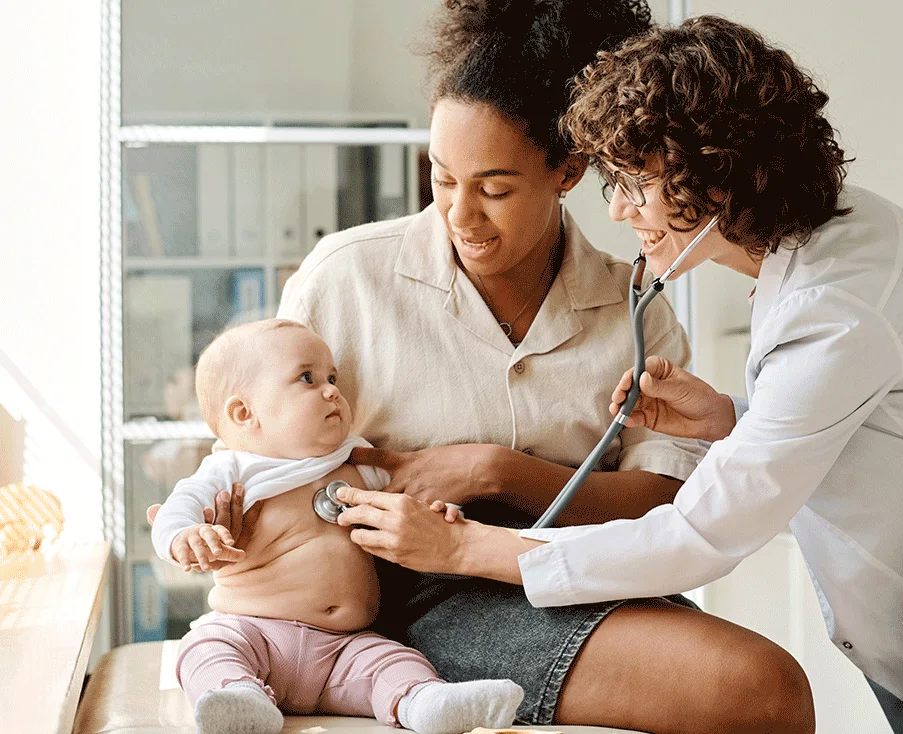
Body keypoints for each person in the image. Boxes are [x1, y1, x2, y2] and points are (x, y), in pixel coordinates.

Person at [331, 16, 903, 734]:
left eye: (636, 183)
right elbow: (851, 421)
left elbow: (708, 530)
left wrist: (475, 545)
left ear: (716, 175)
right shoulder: (816, 255)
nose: (622, 211)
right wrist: (728, 419)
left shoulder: (839, 298)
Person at [271, 2, 815, 733]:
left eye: (494, 188)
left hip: (577, 568)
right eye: (441, 179)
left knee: (764, 689)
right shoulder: (346, 278)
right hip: (416, 589)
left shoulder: (631, 303)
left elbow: (661, 500)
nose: (462, 215)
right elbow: (258, 452)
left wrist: (499, 471)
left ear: (568, 169)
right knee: (757, 688)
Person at [151, 319, 522, 734]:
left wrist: (441, 514)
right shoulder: (231, 469)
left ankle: (428, 704)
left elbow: (409, 502)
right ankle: (239, 699)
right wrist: (184, 536)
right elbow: (176, 509)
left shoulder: (358, 458)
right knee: (205, 648)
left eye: (333, 377)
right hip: (254, 631)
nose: (332, 390)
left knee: (394, 661)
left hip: (345, 646)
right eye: (307, 378)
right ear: (245, 413)